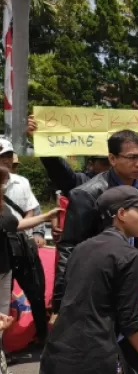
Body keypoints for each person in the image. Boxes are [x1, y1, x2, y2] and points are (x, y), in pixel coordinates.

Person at [40, 186, 138, 374]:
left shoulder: (81, 248)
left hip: (56, 354)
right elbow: (131, 323)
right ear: (121, 214)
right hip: (95, 358)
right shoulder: (130, 256)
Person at [52, 130, 138, 324]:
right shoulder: (86, 195)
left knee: (128, 333)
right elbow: (68, 249)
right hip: (97, 282)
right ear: (112, 158)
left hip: (128, 279)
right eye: (132, 157)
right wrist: (60, 303)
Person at [26, 115, 138, 198]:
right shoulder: (82, 187)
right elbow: (58, 170)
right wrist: (42, 141)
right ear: (91, 164)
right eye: (104, 162)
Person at [0, 139, 49, 345]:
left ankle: (44, 336)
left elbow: (31, 211)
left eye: (9, 155)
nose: (7, 160)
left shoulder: (21, 182)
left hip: (22, 245)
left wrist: (36, 233)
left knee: (35, 292)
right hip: (2, 249)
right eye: (2, 156)